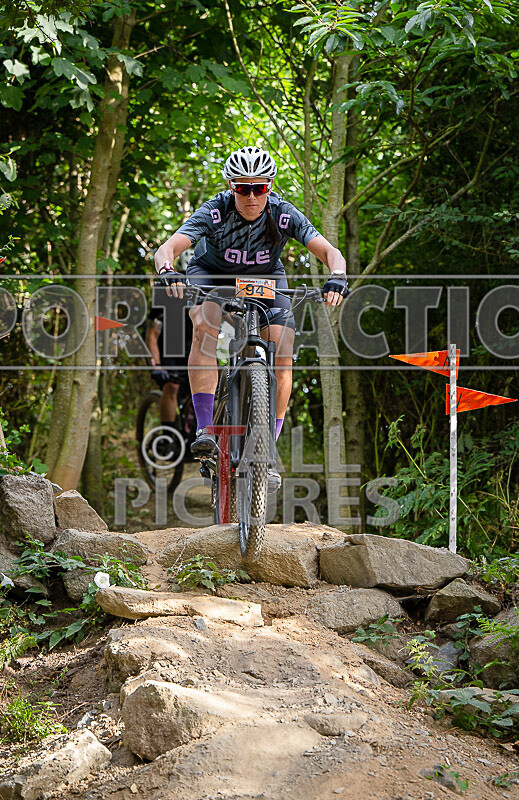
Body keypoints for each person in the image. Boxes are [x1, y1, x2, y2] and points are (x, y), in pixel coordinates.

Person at [154, 145, 349, 491]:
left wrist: (337, 275)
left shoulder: (283, 214)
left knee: (283, 352)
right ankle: (205, 431)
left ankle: (268, 446)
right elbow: (168, 248)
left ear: (269, 187)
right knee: (205, 329)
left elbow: (329, 251)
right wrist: (168, 270)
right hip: (212, 274)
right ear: (232, 187)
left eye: (259, 188)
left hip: (266, 279)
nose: (251, 196)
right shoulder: (215, 211)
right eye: (243, 188)